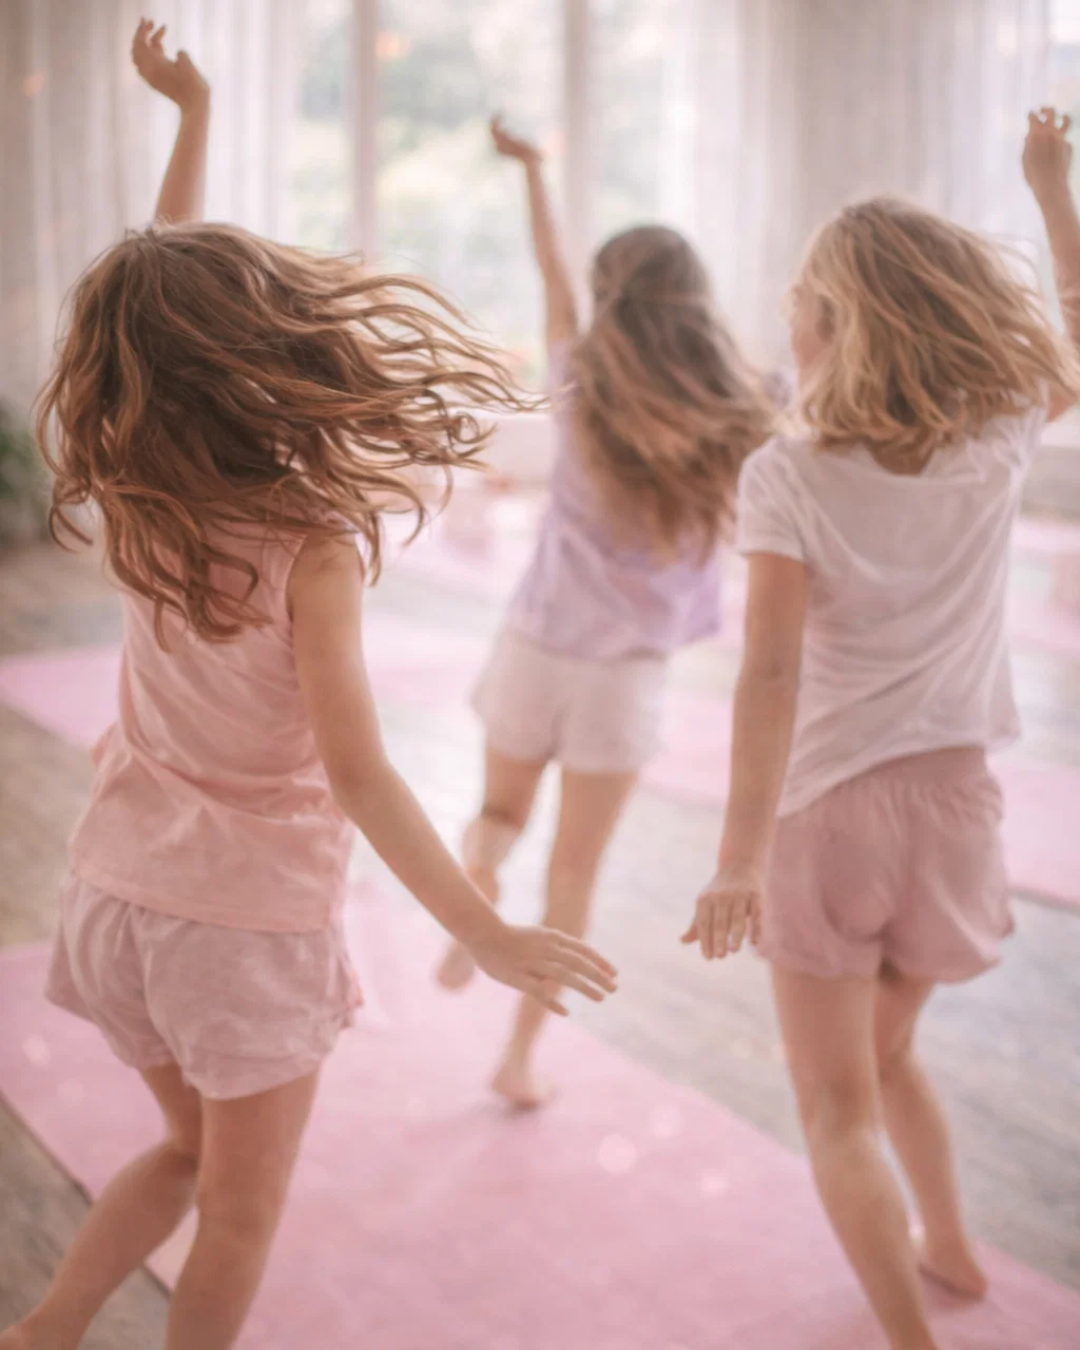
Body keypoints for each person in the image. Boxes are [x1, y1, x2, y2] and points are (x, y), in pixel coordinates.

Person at [0, 26, 616, 1350]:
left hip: (112, 900)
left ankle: (46, 1322)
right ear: (271, 348)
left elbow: (155, 310)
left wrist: (193, 123)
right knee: (240, 1206)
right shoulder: (311, 548)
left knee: (179, 1154)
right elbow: (360, 772)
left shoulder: (137, 493)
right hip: (242, 934)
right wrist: (487, 929)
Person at [681, 111, 1080, 1350]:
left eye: (801, 300)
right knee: (891, 1058)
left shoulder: (789, 474)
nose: (786, 322)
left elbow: (769, 676)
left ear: (839, 326)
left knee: (836, 1106)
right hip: (956, 817)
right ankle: (950, 1245)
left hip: (829, 821)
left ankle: (911, 1335)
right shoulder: (995, 440)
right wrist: (1053, 192)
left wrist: (739, 856)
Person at [437, 115, 773, 1107]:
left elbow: (549, 275)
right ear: (698, 303)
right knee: (574, 879)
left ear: (606, 299)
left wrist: (536, 172)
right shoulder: (745, 405)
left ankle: (476, 905)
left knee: (499, 816)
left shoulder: (579, 375)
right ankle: (518, 1059)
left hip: (536, 644)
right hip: (624, 679)